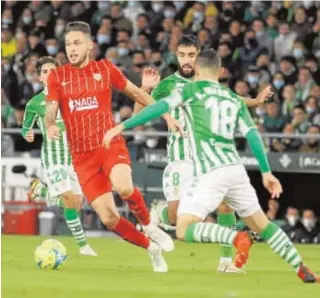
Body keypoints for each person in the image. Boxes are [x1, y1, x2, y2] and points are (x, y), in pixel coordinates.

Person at [104, 49, 319, 283]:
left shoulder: (191, 90)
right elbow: (253, 135)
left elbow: (159, 108)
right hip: (236, 171)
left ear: (197, 69)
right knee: (263, 224)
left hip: (210, 171)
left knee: (183, 229)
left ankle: (235, 238)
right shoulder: (232, 97)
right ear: (220, 71)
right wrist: (266, 172)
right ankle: (300, 266)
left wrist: (122, 126)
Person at [136, 35, 275, 274]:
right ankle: (157, 214)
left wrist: (256, 101)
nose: (186, 60)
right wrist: (145, 88)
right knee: (176, 218)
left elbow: (234, 99)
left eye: (191, 55)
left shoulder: (210, 84)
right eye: (182, 55)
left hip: (208, 157)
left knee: (225, 205)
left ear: (199, 56)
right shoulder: (167, 85)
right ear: (176, 56)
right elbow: (138, 112)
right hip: (180, 158)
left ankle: (225, 263)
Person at [45, 21, 176, 273]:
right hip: (82, 157)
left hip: (108, 142)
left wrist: (167, 116)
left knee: (125, 186)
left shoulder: (105, 68)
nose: (71, 49)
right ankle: (151, 247)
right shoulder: (57, 77)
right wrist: (50, 124)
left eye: (77, 43)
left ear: (89, 45)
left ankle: (149, 225)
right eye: (68, 44)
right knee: (108, 218)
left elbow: (137, 94)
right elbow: (51, 109)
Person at [21, 56, 97, 256]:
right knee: (69, 198)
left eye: (53, 70)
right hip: (53, 158)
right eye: (45, 71)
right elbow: (25, 128)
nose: (50, 74)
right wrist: (27, 133)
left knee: (76, 203)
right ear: (40, 77)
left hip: (73, 158)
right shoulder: (35, 103)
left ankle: (41, 191)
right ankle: (84, 247)